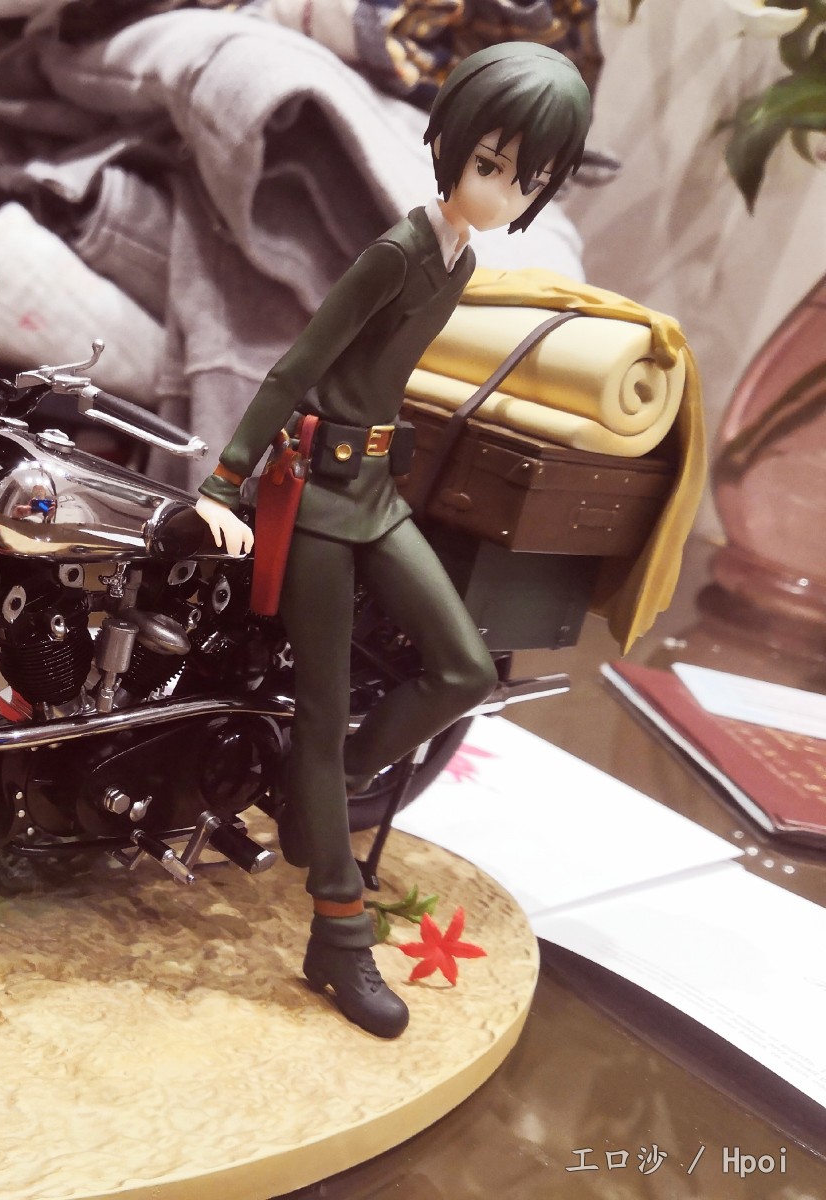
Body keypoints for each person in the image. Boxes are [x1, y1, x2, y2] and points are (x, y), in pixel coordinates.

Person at [194, 42, 592, 1038]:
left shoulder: (461, 262)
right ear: (452, 147)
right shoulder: (397, 253)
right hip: (315, 499)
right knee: (322, 708)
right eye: (491, 164)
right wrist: (225, 481)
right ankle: (337, 936)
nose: (504, 191)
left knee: (464, 668)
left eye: (528, 179)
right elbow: (295, 367)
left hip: (375, 491)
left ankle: (318, 790)